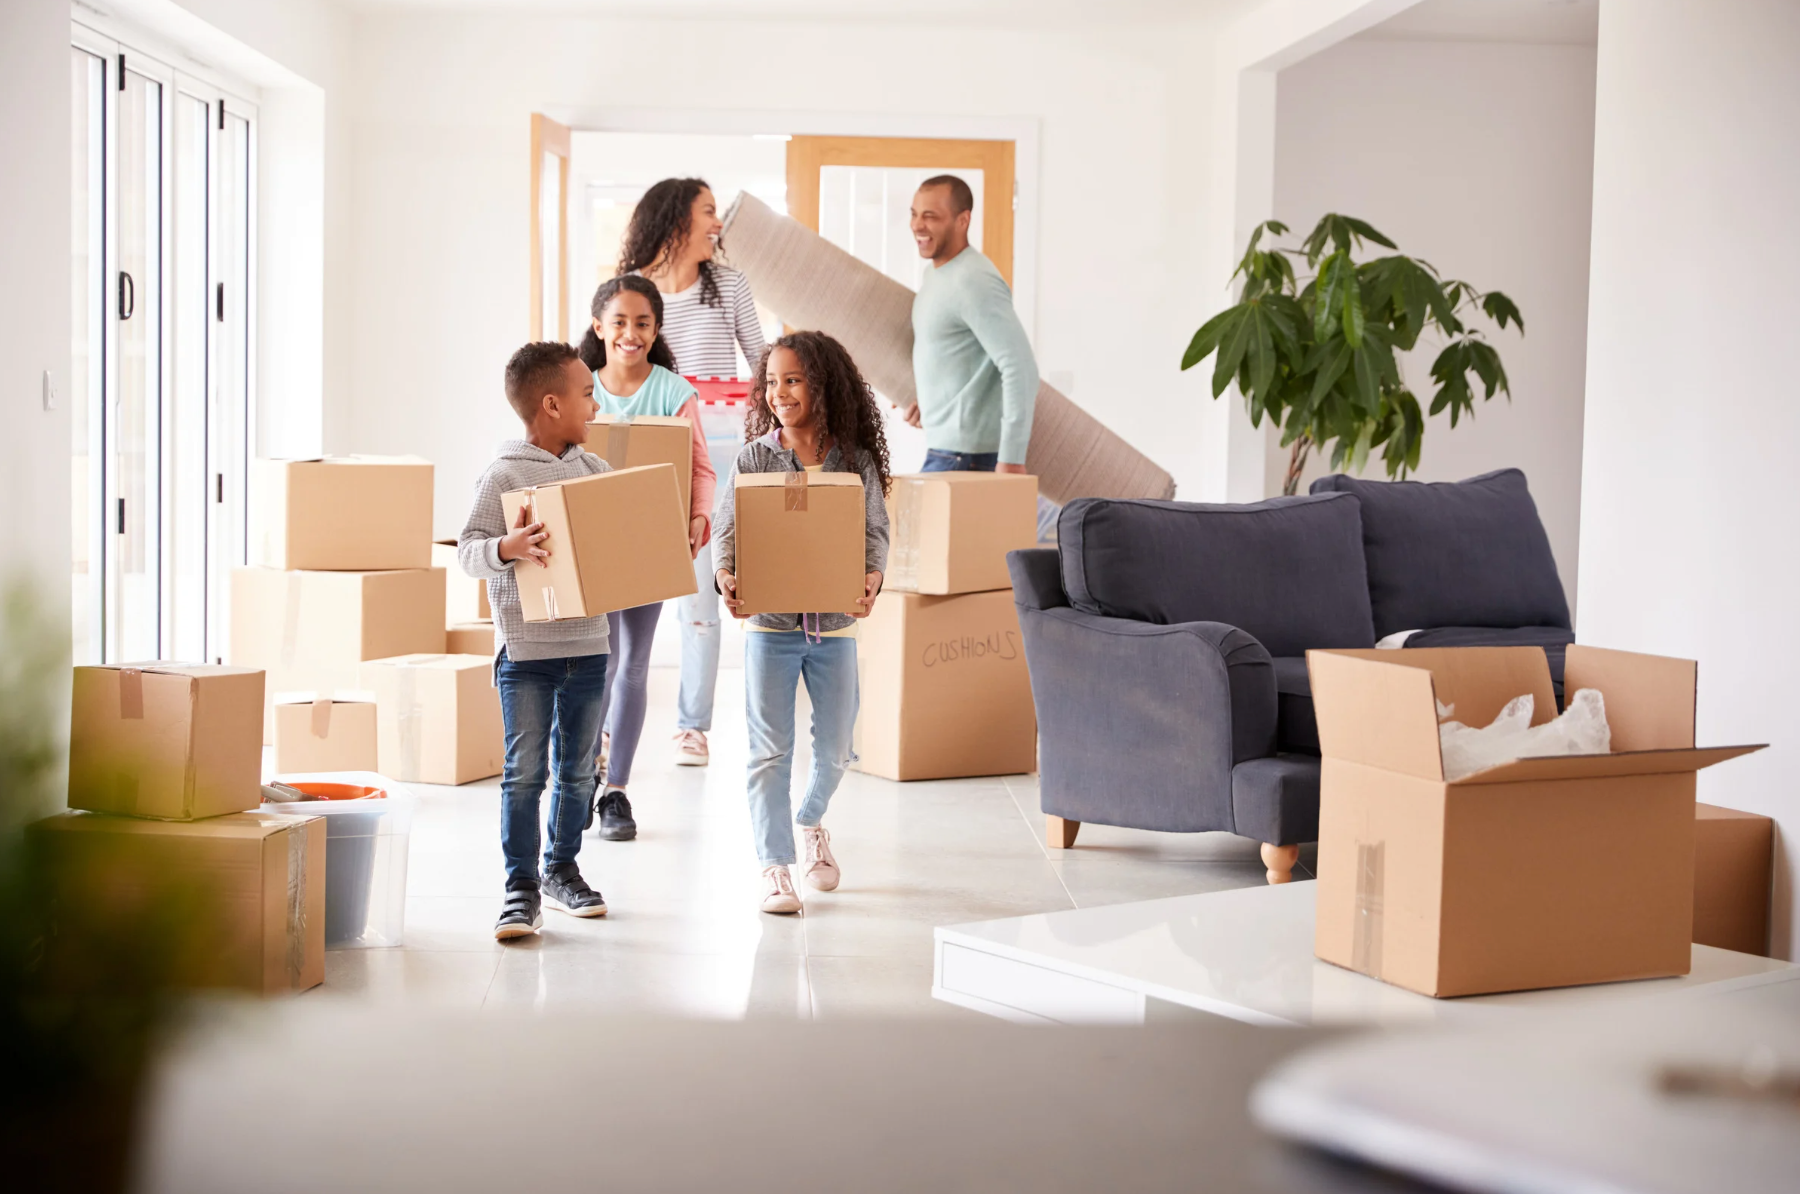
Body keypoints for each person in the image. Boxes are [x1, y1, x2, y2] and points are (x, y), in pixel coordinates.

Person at [711, 332, 890, 915]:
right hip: (769, 625)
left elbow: (875, 534)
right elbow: (728, 531)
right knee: (768, 752)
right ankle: (775, 866)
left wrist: (872, 576)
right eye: (771, 382)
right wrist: (725, 575)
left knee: (837, 750)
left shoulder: (853, 461)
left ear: (823, 384)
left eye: (792, 380)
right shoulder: (754, 459)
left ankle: (811, 820)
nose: (778, 393)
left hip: (834, 624)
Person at [458, 341, 613, 940]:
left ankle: (562, 869)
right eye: (585, 393)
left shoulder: (594, 471)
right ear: (552, 404)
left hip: (590, 646)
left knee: (577, 772)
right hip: (526, 655)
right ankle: (520, 886)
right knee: (526, 771)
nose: (594, 403)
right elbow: (469, 549)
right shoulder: (503, 474)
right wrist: (507, 548)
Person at [618, 177, 768, 768]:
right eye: (708, 211)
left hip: (718, 453)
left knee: (701, 595)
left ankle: (692, 727)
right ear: (676, 219)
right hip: (649, 452)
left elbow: (762, 365)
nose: (717, 223)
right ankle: (610, 725)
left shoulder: (728, 285)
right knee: (625, 590)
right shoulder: (634, 294)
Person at [578, 274, 717, 842]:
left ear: (656, 330)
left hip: (651, 542)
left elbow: (702, 468)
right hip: (591, 543)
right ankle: (582, 777)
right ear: (599, 327)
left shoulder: (673, 392)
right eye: (620, 322)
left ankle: (617, 792)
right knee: (597, 665)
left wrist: (698, 520)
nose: (631, 334)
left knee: (633, 663)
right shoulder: (579, 386)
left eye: (643, 324)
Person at [906, 174, 1040, 475]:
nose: (917, 225)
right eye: (914, 214)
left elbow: (1021, 367)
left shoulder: (974, 280)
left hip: (968, 457)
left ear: (962, 220)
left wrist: (1012, 458)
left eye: (930, 216)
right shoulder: (936, 275)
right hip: (947, 450)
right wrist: (931, 402)